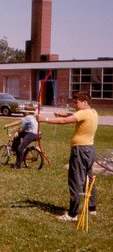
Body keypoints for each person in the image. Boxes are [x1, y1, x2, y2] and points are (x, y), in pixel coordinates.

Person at [36, 91, 98, 221]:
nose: (74, 104)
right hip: (89, 150)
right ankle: (91, 208)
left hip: (80, 150)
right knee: (88, 179)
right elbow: (71, 116)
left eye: (77, 102)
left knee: (76, 180)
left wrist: (44, 119)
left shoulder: (82, 113)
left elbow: (65, 120)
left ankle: (72, 214)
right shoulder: (92, 112)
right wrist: (61, 114)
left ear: (85, 102)